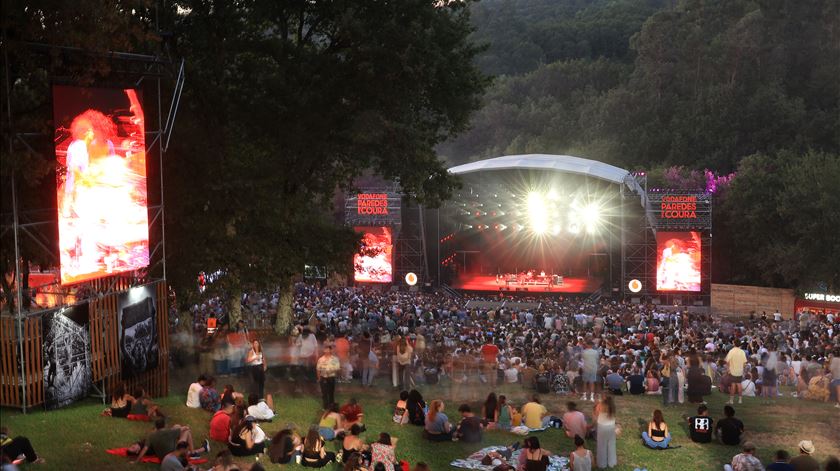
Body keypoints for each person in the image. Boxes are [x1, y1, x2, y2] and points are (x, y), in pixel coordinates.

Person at [134, 417, 209, 462]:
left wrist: (136, 461)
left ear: (156, 427)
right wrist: (187, 426)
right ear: (164, 425)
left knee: (176, 426)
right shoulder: (169, 432)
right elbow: (185, 428)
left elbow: (144, 449)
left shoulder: (151, 436)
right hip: (174, 454)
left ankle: (199, 450)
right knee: (187, 432)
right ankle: (193, 453)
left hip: (162, 458)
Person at [595, 396, 618, 469]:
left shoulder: (600, 405)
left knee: (601, 445)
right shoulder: (613, 407)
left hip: (602, 426)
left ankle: (602, 464)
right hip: (611, 426)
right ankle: (612, 463)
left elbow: (596, 413)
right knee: (611, 444)